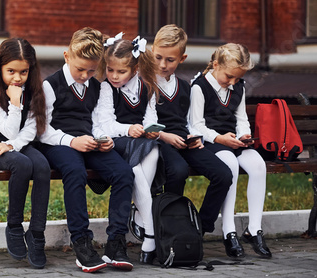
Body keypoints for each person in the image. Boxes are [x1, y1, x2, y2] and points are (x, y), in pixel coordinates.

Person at [39, 27, 134, 273]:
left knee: (124, 173)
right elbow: (42, 130)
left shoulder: (98, 87)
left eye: (92, 70)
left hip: (89, 141)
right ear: (66, 56)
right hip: (58, 143)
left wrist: (104, 139)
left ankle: (115, 242)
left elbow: (100, 122)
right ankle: (81, 241)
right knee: (75, 171)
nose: (85, 75)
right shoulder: (50, 85)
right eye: (80, 69)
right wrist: (72, 142)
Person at [189, 43, 272, 259]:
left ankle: (254, 229)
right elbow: (196, 125)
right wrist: (218, 138)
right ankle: (229, 231)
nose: (233, 82)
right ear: (216, 65)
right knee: (231, 166)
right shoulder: (199, 87)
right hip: (212, 141)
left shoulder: (239, 87)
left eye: (238, 78)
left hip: (233, 140)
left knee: (258, 166)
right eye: (229, 76)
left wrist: (244, 134)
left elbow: (241, 118)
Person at [0, 37, 51, 269]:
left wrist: (13, 146)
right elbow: (7, 130)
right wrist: (15, 103)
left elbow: (31, 129)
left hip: (17, 146)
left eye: (23, 72)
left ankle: (37, 232)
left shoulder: (34, 91)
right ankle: (15, 226)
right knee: (23, 165)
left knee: (42, 166)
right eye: (11, 71)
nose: (17, 78)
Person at [152, 24, 232, 236]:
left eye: (170, 60)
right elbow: (143, 123)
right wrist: (164, 136)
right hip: (158, 140)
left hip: (183, 140)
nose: (162, 64)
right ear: (152, 51)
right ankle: (169, 227)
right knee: (178, 170)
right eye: (158, 57)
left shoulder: (186, 86)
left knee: (223, 173)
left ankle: (200, 228)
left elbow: (190, 122)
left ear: (182, 59)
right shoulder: (145, 84)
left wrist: (195, 138)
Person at [93, 32, 161, 264]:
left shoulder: (148, 88)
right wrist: (128, 128)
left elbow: (150, 118)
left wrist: (150, 130)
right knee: (133, 169)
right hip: (118, 140)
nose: (113, 75)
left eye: (120, 71)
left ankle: (141, 214)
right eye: (110, 70)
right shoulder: (106, 89)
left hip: (141, 141)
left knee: (153, 149)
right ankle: (150, 231)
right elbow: (104, 123)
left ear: (135, 69)